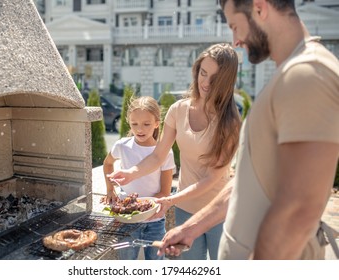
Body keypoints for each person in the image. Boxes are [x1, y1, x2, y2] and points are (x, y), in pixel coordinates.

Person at [158, 0, 339, 260]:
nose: (236, 41)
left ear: (259, 7)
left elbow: (300, 208)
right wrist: (191, 227)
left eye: (235, 25)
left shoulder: (307, 75)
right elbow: (249, 181)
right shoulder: (291, 75)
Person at [108, 43, 242, 260]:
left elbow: (212, 178)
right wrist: (132, 173)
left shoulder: (230, 123)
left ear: (226, 81)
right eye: (203, 73)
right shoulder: (178, 110)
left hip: (220, 212)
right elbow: (158, 155)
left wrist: (170, 199)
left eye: (214, 78)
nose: (205, 83)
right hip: (186, 209)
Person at [102, 96, 175, 260]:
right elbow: (107, 164)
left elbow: (165, 191)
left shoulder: (165, 153)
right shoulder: (122, 146)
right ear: (128, 122)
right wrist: (110, 189)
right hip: (127, 221)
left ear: (157, 123)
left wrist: (144, 209)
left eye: (146, 124)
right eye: (134, 124)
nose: (140, 129)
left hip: (155, 221)